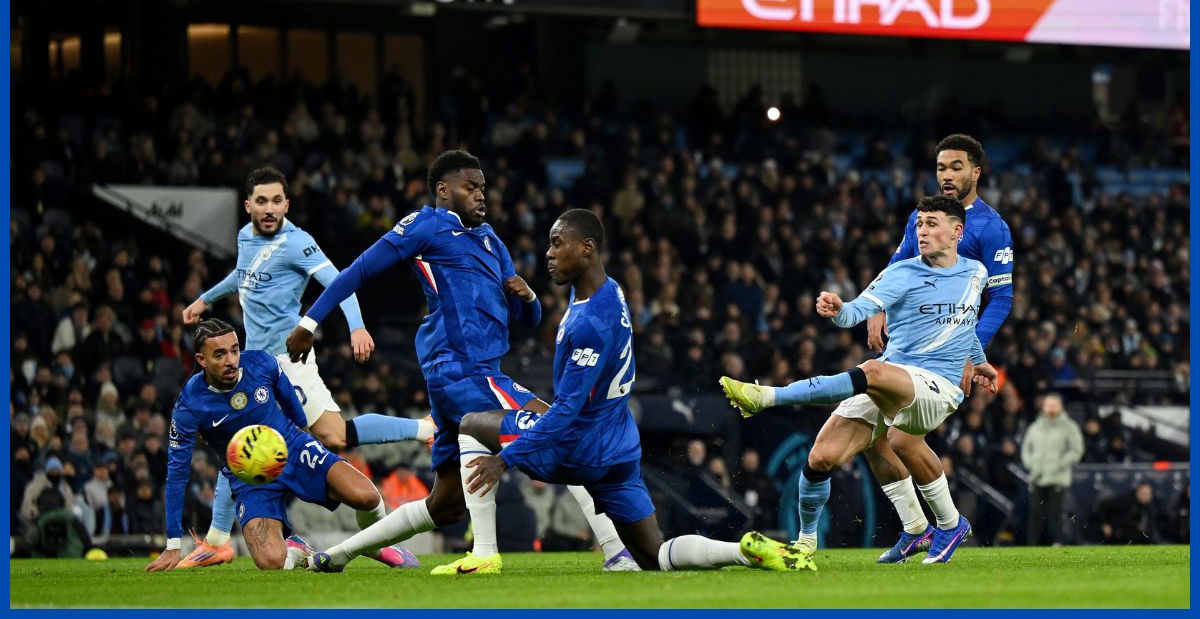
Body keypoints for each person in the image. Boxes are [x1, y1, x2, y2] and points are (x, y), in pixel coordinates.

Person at [288, 152, 636, 573]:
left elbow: (527, 320)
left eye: (483, 188)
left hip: (475, 374)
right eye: (471, 187)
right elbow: (358, 271)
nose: (480, 195)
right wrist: (310, 321)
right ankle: (617, 551)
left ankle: (338, 555)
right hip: (461, 370)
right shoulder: (425, 226)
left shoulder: (491, 240)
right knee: (562, 428)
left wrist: (528, 299)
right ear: (442, 190)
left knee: (446, 503)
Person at [450, 209, 814, 574]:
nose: (548, 253)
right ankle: (742, 551)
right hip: (619, 443)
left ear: (587, 248)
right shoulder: (610, 290)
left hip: (582, 447)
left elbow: (565, 412)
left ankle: (483, 554)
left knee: (471, 423)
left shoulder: (590, 323)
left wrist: (504, 460)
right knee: (654, 555)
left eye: (557, 244)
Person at [721, 195, 999, 564]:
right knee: (822, 457)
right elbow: (856, 311)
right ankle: (821, 540)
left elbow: (963, 327)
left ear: (956, 231)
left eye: (932, 223)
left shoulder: (976, 273)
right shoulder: (901, 272)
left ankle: (768, 397)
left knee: (877, 386)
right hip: (898, 375)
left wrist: (978, 360)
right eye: (919, 224)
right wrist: (838, 310)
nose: (923, 231)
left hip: (940, 385)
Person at [178, 167, 431, 568]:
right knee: (244, 445)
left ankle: (421, 438)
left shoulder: (298, 243)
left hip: (286, 362)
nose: (269, 208)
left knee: (332, 434)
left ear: (287, 204)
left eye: (277, 201)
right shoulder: (246, 237)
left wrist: (357, 325)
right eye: (261, 201)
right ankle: (223, 540)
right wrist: (205, 300)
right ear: (248, 206)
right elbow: (243, 277)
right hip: (250, 364)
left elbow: (341, 281)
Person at [826, 133, 1016, 563]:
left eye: (956, 167)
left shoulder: (991, 228)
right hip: (905, 352)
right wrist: (875, 308)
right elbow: (897, 266)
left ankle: (949, 525)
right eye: (941, 168)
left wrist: (972, 353)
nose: (947, 175)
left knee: (902, 438)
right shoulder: (927, 218)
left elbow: (1000, 298)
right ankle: (916, 528)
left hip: (945, 357)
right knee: (877, 437)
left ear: (976, 172)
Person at [146, 319, 407, 572]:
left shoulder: (261, 362)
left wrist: (305, 441)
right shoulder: (190, 404)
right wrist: (172, 544)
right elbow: (177, 473)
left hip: (292, 449)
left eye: (235, 350)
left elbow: (291, 401)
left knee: (368, 497)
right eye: (220, 354)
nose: (231, 360)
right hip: (250, 478)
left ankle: (374, 544)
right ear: (201, 360)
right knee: (271, 562)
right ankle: (296, 551)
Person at [1021, 393, 1084, 545]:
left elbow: (1076, 449)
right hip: (1038, 476)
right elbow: (1026, 448)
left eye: (1054, 405)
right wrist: (1031, 464)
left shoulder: (1069, 427)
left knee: (1057, 513)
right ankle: (1032, 544)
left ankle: (1058, 542)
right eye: (1048, 405)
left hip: (1057, 477)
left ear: (1060, 407)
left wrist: (1061, 464)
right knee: (1035, 513)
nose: (1051, 409)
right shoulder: (1036, 426)